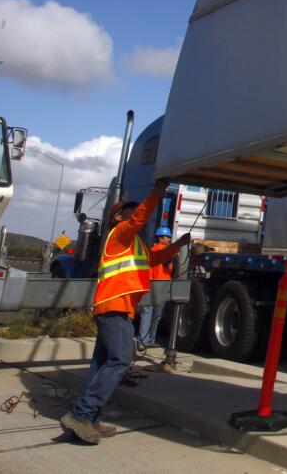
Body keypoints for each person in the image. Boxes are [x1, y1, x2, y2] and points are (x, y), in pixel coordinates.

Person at [60, 180, 190, 444]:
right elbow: (141, 218)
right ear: (118, 217)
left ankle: (90, 419)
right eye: (128, 211)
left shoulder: (136, 245)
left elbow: (154, 260)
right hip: (114, 307)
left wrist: (178, 246)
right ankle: (82, 415)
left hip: (120, 308)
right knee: (119, 361)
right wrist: (157, 192)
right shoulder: (119, 234)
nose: (133, 213)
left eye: (134, 210)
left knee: (101, 364)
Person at [135, 226, 175, 348]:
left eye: (169, 237)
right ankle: (148, 340)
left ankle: (144, 340)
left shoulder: (153, 251)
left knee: (149, 313)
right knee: (155, 314)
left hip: (152, 284)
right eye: (167, 237)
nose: (169, 239)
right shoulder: (163, 252)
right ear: (160, 238)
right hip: (159, 286)